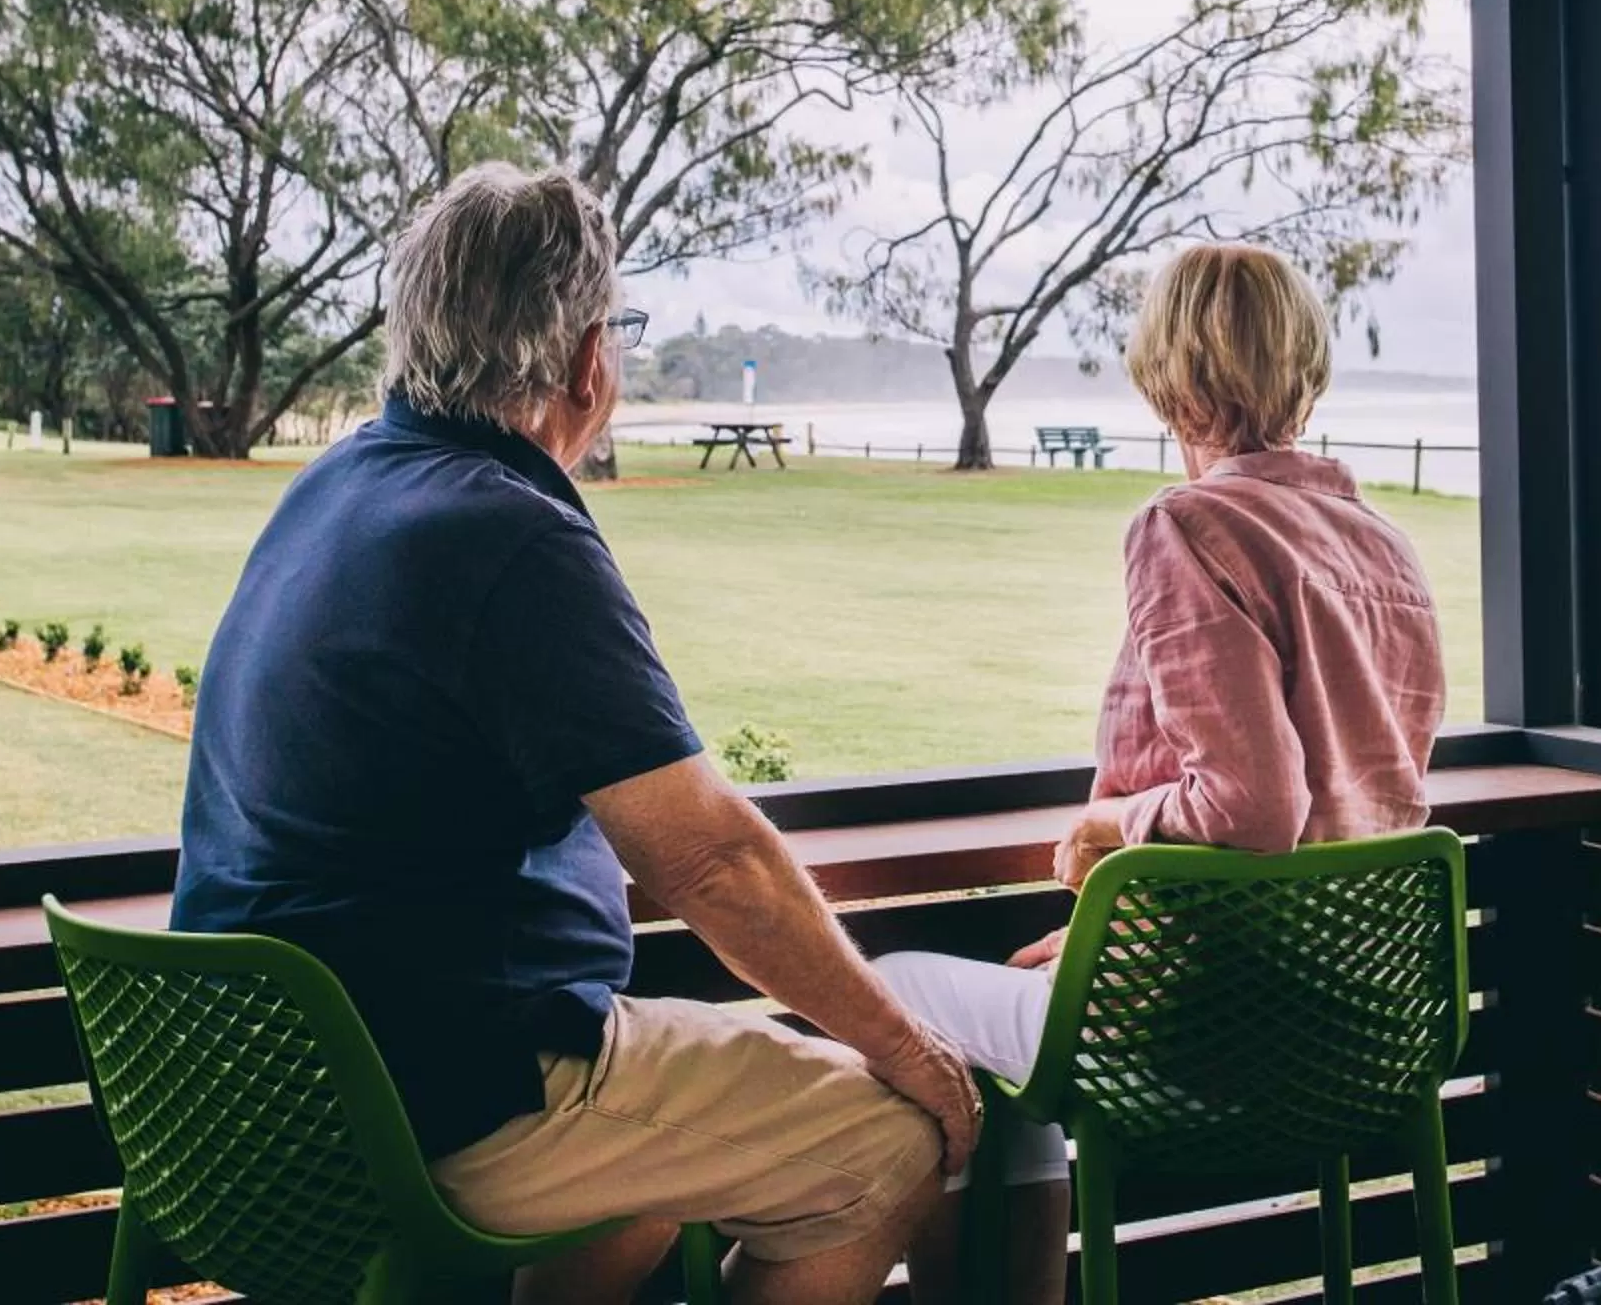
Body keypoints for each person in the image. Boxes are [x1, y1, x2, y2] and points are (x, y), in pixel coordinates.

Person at [173, 164, 979, 1305]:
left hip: (251, 1090)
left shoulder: (337, 485)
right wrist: (902, 1044)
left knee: (664, 1144)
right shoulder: (508, 532)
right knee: (881, 1143)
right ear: (588, 358)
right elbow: (709, 856)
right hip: (441, 1095)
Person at [876, 243, 1448, 1303]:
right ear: (1306, 370)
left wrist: (1111, 830)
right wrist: (1117, 930)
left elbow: (1255, 804)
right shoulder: (1387, 548)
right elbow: (1357, 801)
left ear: (1169, 374)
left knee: (897, 996)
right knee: (1023, 1042)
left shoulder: (1186, 523)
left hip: (1212, 1019)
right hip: (1366, 1023)